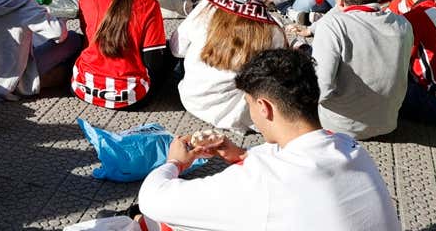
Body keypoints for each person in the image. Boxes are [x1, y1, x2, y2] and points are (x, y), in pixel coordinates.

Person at [137, 49, 402, 231]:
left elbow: (153, 199)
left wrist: (175, 162)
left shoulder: (262, 183)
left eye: (249, 104)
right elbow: (291, 162)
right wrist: (242, 155)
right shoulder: (349, 147)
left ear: (264, 107)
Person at [170, 0, 286, 131]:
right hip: (236, 114)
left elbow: (176, 49)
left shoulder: (206, 9)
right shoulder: (274, 29)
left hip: (193, 99)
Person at [308, 0, 412, 140]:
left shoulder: (332, 25)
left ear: (339, 0)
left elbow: (322, 87)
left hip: (339, 125)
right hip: (387, 122)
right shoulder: (403, 24)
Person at [72, 0, 168, 110]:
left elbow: (88, 35)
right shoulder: (148, 2)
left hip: (83, 87)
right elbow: (153, 61)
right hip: (129, 97)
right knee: (168, 54)